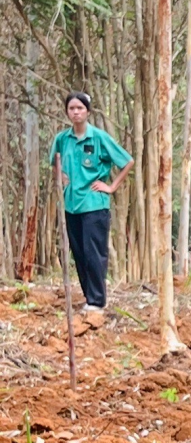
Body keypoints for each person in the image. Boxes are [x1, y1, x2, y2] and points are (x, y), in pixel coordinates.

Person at [48, 92, 133, 324]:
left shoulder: (98, 137)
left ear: (88, 111)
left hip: (95, 204)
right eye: (72, 108)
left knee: (94, 252)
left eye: (80, 108)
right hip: (71, 204)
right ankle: (89, 297)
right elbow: (54, 163)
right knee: (79, 253)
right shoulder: (62, 139)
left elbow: (126, 161)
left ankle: (97, 301)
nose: (76, 112)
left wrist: (111, 186)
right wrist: (62, 178)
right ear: (67, 112)